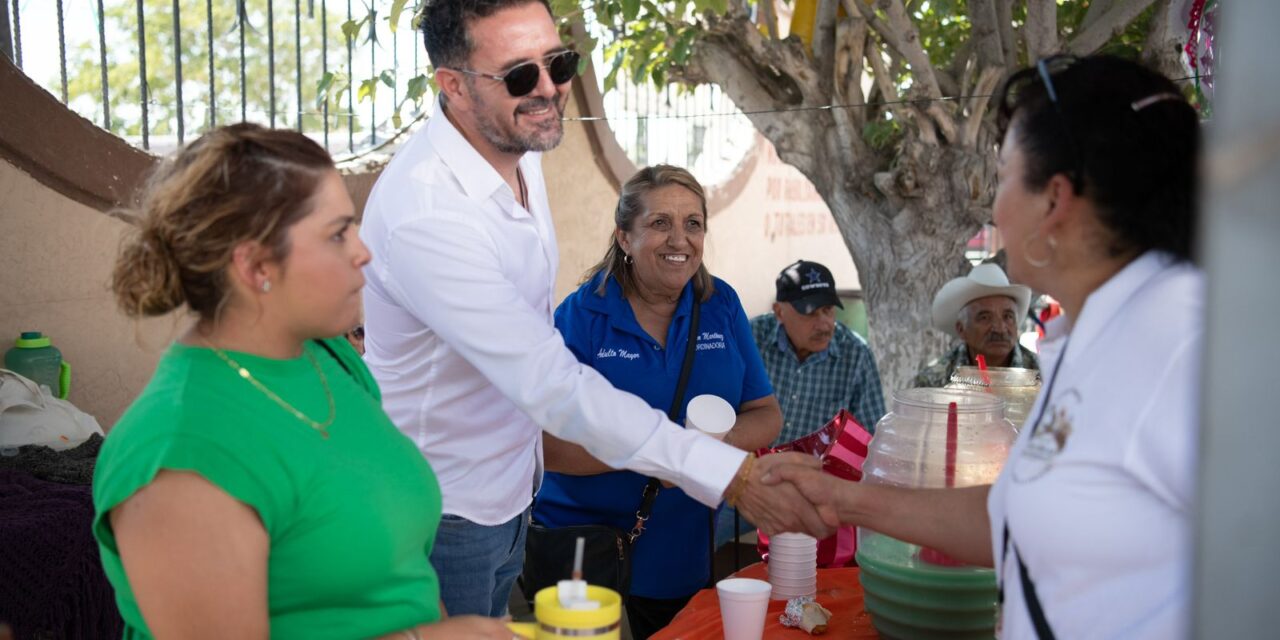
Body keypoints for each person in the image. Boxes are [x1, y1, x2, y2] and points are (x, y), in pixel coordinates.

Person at [359, 0, 828, 617]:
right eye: (521, 75)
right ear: (453, 85)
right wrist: (725, 472)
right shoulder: (428, 214)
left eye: (559, 62)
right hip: (444, 509)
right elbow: (551, 385)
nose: (550, 89)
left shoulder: (518, 150)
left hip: (510, 496)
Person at [765, 55, 1202, 638]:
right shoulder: (1095, 335)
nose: (993, 208)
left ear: (1054, 200)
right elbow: (1014, 516)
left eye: (1002, 178)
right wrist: (842, 499)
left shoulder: (1184, 346)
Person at [93, 124, 511, 639]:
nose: (363, 252)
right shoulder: (181, 452)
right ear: (256, 265)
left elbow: (401, 575)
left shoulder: (328, 357)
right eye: (337, 234)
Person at [532, 165, 782, 638]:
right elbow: (545, 445)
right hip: (583, 545)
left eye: (693, 223)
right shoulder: (581, 317)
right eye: (660, 223)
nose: (680, 240)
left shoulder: (720, 305)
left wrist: (707, 447)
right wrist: (663, 456)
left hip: (680, 545)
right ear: (624, 237)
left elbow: (765, 414)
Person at [752, 259, 885, 442]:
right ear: (779, 312)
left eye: (828, 310)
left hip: (815, 469)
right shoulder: (751, 338)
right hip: (749, 465)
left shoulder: (856, 355)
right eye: (810, 313)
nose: (824, 324)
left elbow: (870, 439)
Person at [913, 262, 1039, 388]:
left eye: (1008, 317)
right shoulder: (935, 380)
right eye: (985, 318)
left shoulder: (1044, 376)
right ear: (961, 329)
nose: (1000, 328)